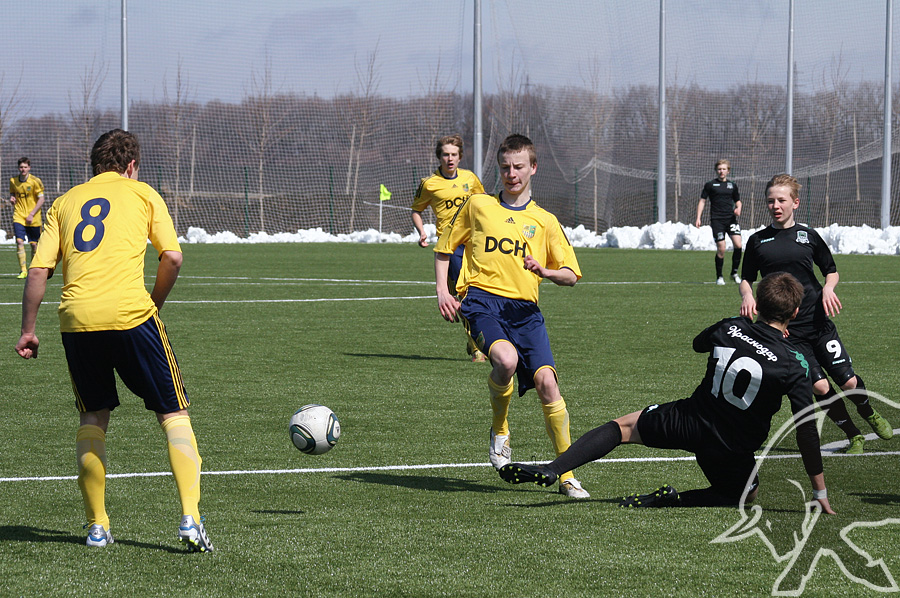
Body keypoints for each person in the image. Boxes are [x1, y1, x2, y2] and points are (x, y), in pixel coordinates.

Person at [15, 129, 213, 552]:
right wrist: (154, 303)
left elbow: (38, 271)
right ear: (131, 165)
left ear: (94, 166)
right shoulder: (143, 194)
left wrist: (28, 330)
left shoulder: (65, 202)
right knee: (173, 413)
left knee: (93, 417)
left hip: (78, 321)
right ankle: (191, 519)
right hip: (132, 315)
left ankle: (97, 526)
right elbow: (172, 257)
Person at [500, 272, 835, 513]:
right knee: (744, 497)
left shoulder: (730, 326)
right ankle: (674, 499)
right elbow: (806, 430)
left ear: (757, 303)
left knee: (621, 428)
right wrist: (819, 491)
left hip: (690, 419)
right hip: (731, 446)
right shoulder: (794, 362)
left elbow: (698, 344)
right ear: (794, 314)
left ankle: (555, 468)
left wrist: (737, 325)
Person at [434, 133, 589, 498]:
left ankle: (567, 475)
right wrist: (442, 290)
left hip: (525, 312)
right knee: (506, 359)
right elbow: (444, 248)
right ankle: (500, 429)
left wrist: (546, 272)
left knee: (548, 384)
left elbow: (571, 274)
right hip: (482, 301)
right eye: (505, 167)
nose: (511, 174)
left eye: (519, 167)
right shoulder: (478, 206)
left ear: (533, 168)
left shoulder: (545, 221)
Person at [739, 173, 893, 454]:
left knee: (848, 382)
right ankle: (853, 435)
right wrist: (747, 294)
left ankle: (868, 411)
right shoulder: (758, 241)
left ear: (795, 203)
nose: (775, 206)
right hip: (788, 333)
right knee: (820, 387)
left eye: (781, 200)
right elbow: (746, 278)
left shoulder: (808, 236)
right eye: (771, 201)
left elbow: (831, 270)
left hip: (818, 323)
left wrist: (828, 289)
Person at [411, 134, 487, 362]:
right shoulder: (429, 184)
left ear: (460, 156)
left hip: (474, 243)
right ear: (439, 156)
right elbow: (416, 210)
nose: (450, 159)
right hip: (450, 247)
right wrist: (421, 231)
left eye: (454, 154)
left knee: (479, 292)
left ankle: (477, 340)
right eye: (446, 154)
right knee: (464, 295)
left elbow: (484, 204)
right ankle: (476, 346)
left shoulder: (470, 178)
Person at [696, 159, 742, 285]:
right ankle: (719, 277)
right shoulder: (710, 185)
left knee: (738, 245)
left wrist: (738, 208)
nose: (721, 171)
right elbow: (702, 201)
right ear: (716, 171)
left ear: (728, 171)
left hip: (731, 219)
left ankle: (734, 273)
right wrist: (698, 217)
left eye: (724, 169)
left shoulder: (732, 185)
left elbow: (738, 201)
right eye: (719, 169)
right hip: (717, 220)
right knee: (721, 248)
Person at [8, 157, 46, 279]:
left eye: (25, 167)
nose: (23, 169)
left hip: (33, 217)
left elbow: (41, 199)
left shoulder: (35, 181)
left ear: (29, 168)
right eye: (21, 167)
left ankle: (33, 269)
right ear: (18, 168)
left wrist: (32, 214)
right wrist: (12, 198)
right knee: (19, 241)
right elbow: (13, 193)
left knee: (34, 245)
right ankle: (23, 270)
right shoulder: (13, 181)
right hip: (19, 215)